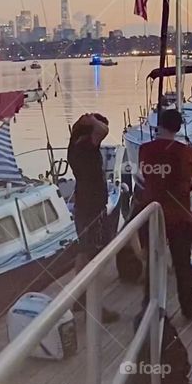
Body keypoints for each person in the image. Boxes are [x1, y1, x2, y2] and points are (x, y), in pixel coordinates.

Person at [138, 109, 192, 320]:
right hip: (179, 214)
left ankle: (149, 305)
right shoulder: (186, 152)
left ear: (160, 124)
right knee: (183, 263)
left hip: (153, 212)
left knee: (153, 262)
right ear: (179, 127)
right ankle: (189, 309)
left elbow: (145, 176)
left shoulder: (145, 149)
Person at [67, 113, 120, 323]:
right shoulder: (87, 147)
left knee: (84, 251)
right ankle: (94, 306)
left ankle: (79, 296)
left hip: (82, 206)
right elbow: (103, 130)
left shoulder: (74, 144)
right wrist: (90, 119)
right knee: (96, 257)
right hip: (92, 208)